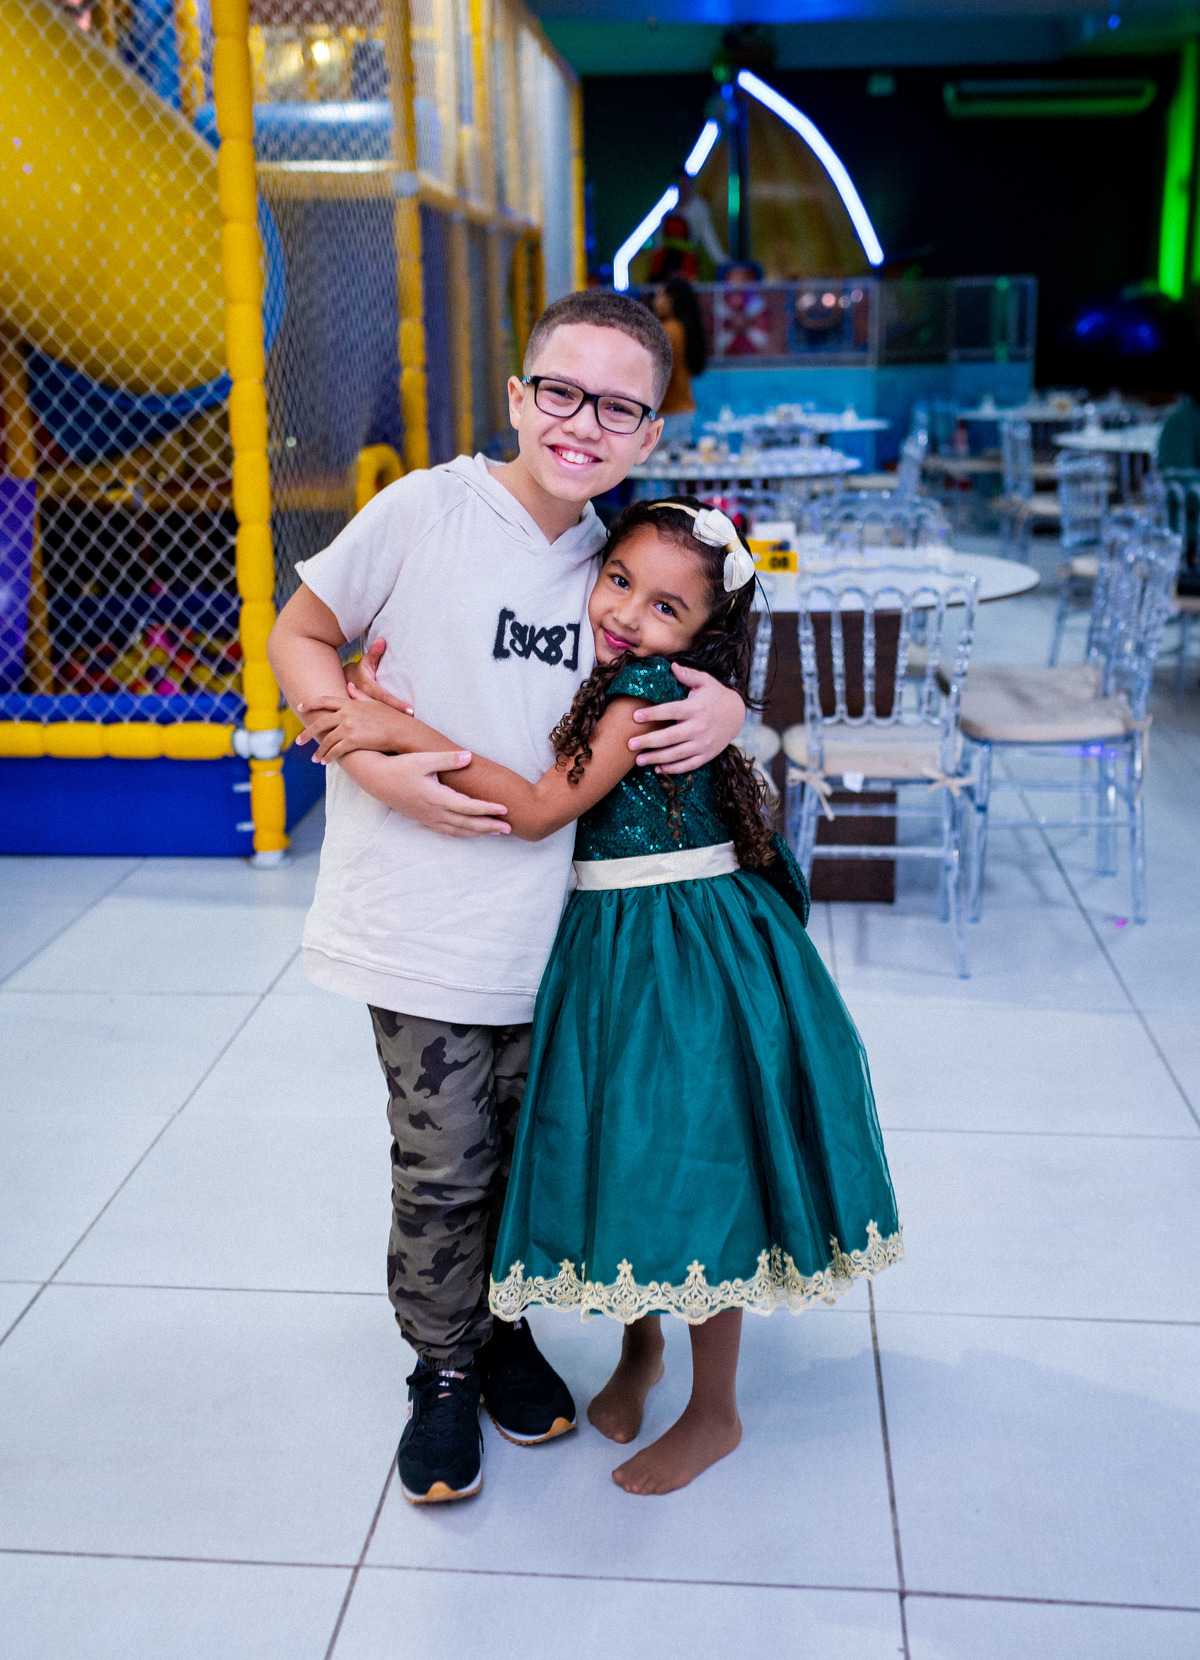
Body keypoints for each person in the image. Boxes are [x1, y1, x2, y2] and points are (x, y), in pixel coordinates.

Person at [299, 498, 902, 1497]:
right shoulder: (617, 673)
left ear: (702, 633)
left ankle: (715, 1411)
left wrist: (392, 723)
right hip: (624, 943)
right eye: (617, 580)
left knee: (695, 1165)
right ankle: (640, 1351)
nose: (625, 612)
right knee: (632, 1151)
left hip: (681, 956)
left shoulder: (645, 692)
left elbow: (543, 808)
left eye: (665, 606)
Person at [267, 291, 747, 1507]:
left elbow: (713, 631)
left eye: (620, 407)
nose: (585, 423)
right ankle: (441, 1367)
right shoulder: (426, 509)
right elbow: (300, 634)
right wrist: (360, 745)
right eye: (564, 392)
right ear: (521, 396)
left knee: (530, 1155)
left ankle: (503, 1332)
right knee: (442, 1165)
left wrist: (732, 702)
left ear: (651, 432)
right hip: (415, 918)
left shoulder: (620, 562)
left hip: (555, 934)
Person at [650, 277, 707, 448]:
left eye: (659, 296)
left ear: (671, 299)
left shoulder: (669, 331)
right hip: (685, 411)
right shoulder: (684, 328)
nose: (655, 302)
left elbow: (662, 376)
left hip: (669, 415)